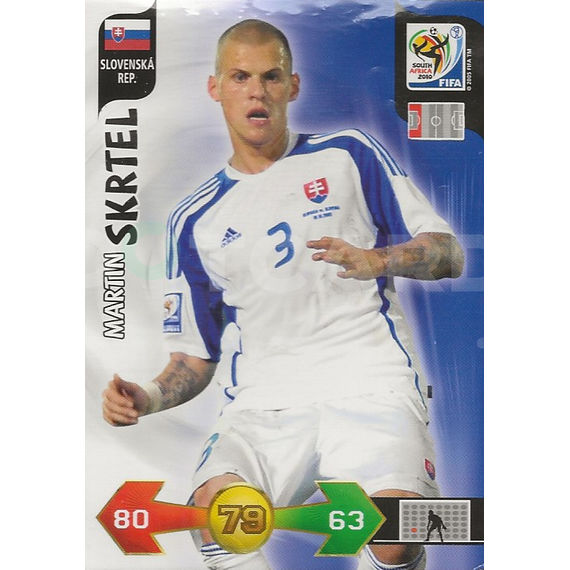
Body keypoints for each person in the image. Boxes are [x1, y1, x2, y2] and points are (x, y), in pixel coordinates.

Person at [102, 19, 464, 570]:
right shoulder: (194, 219)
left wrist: (379, 259)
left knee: (397, 533)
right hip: (264, 405)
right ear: (215, 87)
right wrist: (145, 397)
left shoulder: (348, 154)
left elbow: (447, 252)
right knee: (215, 518)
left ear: (292, 86)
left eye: (272, 77)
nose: (258, 91)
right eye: (240, 77)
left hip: (371, 387)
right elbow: (194, 359)